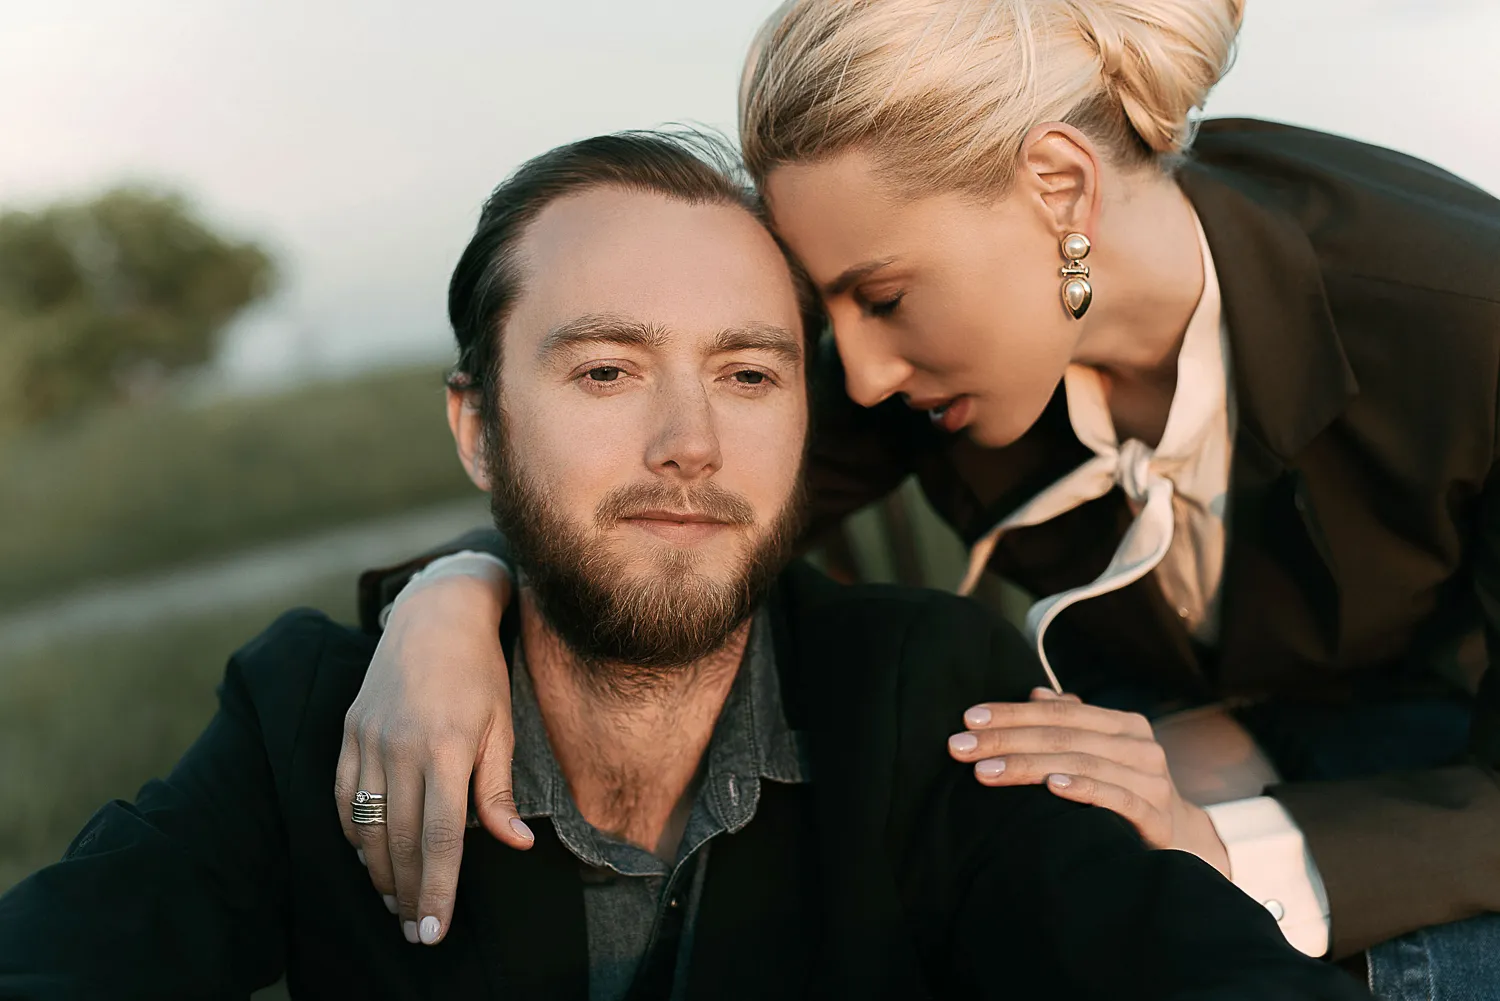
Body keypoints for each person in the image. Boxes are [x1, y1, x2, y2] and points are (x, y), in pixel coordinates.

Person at [0, 132, 1363, 1001]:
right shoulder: (314, 715)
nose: (689, 443)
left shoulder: (931, 696)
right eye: (606, 369)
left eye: (748, 372)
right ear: (478, 425)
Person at [336, 1, 1500, 998]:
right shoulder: (920, 340)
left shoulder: (1465, 319)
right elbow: (650, 508)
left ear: (1058, 184)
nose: (866, 373)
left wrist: (1223, 847)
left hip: (1436, 768)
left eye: (881, 296)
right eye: (829, 312)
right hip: (1152, 739)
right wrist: (452, 596)